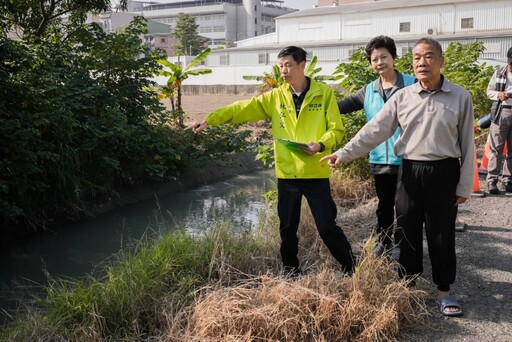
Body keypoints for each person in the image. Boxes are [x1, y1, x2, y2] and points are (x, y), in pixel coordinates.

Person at [320, 38, 474, 317]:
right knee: (407, 231)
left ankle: (444, 292)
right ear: (411, 63)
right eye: (416, 58)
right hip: (410, 171)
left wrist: (464, 184)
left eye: (428, 57)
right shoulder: (403, 97)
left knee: (441, 234)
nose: (422, 62)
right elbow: (374, 130)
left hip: (444, 171)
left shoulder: (461, 96)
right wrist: (343, 154)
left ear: (441, 61)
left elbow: (467, 144)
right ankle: (409, 287)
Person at [192, 46, 355, 275]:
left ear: (302, 65)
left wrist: (320, 145)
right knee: (287, 228)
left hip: (315, 171)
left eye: (288, 65)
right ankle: (291, 272)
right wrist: (210, 119)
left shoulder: (324, 93)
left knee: (327, 226)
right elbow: (243, 108)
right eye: (281, 66)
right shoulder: (276, 96)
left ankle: (352, 267)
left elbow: (337, 130)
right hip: (287, 174)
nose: (284, 70)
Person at [337, 35, 416, 258]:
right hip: (380, 157)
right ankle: (384, 241)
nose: (379, 62)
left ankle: (403, 244)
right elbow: (341, 107)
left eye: (384, 57)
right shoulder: (368, 90)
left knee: (405, 206)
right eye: (374, 59)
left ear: (394, 58)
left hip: (408, 156)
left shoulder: (412, 84)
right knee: (384, 205)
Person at [485, 48, 512, 194]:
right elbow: (489, 92)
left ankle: (507, 179)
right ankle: (492, 180)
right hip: (501, 112)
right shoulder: (499, 72)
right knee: (496, 148)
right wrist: (499, 94)